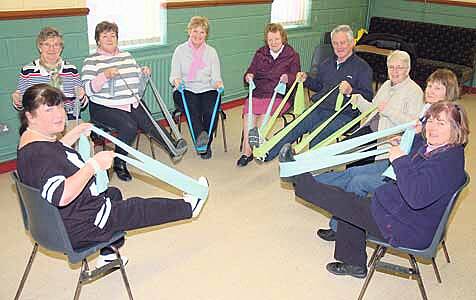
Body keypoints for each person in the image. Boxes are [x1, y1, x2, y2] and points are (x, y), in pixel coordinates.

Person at [16, 84, 209, 269]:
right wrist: (93, 166)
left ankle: (108, 256)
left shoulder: (30, 143)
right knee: (136, 209)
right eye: (49, 110)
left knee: (113, 193)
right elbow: (60, 194)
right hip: (83, 224)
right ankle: (188, 207)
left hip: (57, 222)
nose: (59, 114)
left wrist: (73, 134)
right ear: (30, 116)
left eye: (59, 106)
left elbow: (55, 156)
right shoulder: (41, 155)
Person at [282, 101, 468, 278]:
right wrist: (406, 145)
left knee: (345, 203)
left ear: (456, 129)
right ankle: (353, 263)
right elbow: (421, 168)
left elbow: (416, 197)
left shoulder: (447, 164)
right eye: (431, 120)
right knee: (348, 201)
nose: (432, 127)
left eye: (441, 123)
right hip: (404, 214)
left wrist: (400, 160)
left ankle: (299, 179)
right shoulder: (444, 150)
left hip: (408, 227)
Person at [315, 68, 460, 242]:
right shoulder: (427, 110)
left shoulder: (447, 125)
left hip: (404, 172)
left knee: (357, 182)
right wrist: (404, 140)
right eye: (429, 86)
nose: (429, 90)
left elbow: (425, 156)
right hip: (402, 162)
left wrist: (411, 144)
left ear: (448, 92)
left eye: (437, 88)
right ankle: (309, 181)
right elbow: (419, 147)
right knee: (353, 172)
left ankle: (339, 228)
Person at [82, 21, 186, 182]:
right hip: (104, 106)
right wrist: (104, 76)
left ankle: (172, 147)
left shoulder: (127, 56)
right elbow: (87, 90)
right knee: (129, 126)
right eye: (105, 36)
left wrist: (143, 76)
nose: (109, 39)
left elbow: (138, 90)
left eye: (113, 35)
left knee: (149, 121)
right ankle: (119, 163)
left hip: (130, 101)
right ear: (98, 40)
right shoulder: (92, 61)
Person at [263, 24, 373, 161]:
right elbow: (319, 86)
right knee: (296, 125)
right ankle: (266, 152)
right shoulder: (326, 63)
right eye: (335, 43)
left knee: (317, 132)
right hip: (320, 107)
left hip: (345, 114)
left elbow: (368, 97)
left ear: (351, 43)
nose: (339, 47)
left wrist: (351, 91)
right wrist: (306, 79)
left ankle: (312, 172)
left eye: (343, 43)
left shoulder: (362, 67)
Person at [236, 23, 301, 167]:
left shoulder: (292, 55)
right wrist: (248, 76)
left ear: (283, 38)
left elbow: (295, 77)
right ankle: (247, 152)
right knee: (249, 115)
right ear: (266, 40)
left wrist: (288, 78)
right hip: (258, 92)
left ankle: (253, 149)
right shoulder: (260, 53)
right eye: (270, 40)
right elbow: (250, 71)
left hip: (278, 95)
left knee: (263, 119)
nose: (274, 43)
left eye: (277, 39)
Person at [170, 16, 224, 160]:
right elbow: (174, 76)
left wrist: (218, 84)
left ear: (206, 34)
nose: (198, 35)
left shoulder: (211, 52)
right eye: (195, 31)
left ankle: (206, 144)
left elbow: (216, 78)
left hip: (207, 88)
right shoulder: (180, 51)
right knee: (192, 107)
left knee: (210, 109)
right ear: (189, 31)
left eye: (202, 32)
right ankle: (201, 136)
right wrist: (177, 81)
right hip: (185, 88)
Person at [11, 27, 86, 126]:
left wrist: (81, 98)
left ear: (61, 48)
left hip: (68, 120)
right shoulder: (28, 71)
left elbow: (82, 104)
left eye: (56, 45)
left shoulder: (71, 69)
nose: (52, 49)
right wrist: (17, 101)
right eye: (47, 44)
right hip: (40, 123)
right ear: (40, 47)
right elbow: (23, 105)